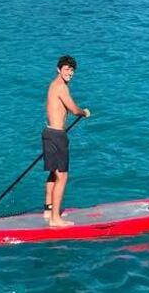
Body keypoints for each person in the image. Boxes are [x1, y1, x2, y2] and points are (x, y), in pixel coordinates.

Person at [42, 54, 90, 227]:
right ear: (58, 69)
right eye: (67, 69)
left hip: (48, 132)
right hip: (57, 136)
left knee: (53, 172)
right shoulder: (61, 87)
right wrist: (83, 112)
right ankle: (56, 219)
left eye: (72, 70)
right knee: (62, 176)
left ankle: (48, 211)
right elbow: (73, 108)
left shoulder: (53, 85)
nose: (70, 73)